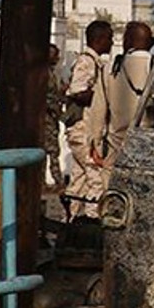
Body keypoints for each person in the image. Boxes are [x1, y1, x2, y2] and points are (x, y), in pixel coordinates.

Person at [65, 20, 114, 219]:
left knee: (78, 181)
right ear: (100, 39)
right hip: (82, 129)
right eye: (109, 38)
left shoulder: (95, 62)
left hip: (84, 130)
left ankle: (69, 222)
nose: (111, 43)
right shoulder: (86, 61)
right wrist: (103, 96)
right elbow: (77, 92)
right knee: (97, 179)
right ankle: (94, 220)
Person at [107, 21, 154, 153]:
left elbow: (99, 108)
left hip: (117, 140)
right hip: (146, 137)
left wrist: (94, 141)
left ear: (127, 40)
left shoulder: (112, 66)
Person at [44, 43, 66, 190]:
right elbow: (46, 97)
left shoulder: (52, 74)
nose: (57, 58)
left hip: (52, 118)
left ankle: (56, 180)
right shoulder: (45, 75)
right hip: (47, 118)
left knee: (53, 151)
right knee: (51, 151)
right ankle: (56, 180)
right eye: (54, 55)